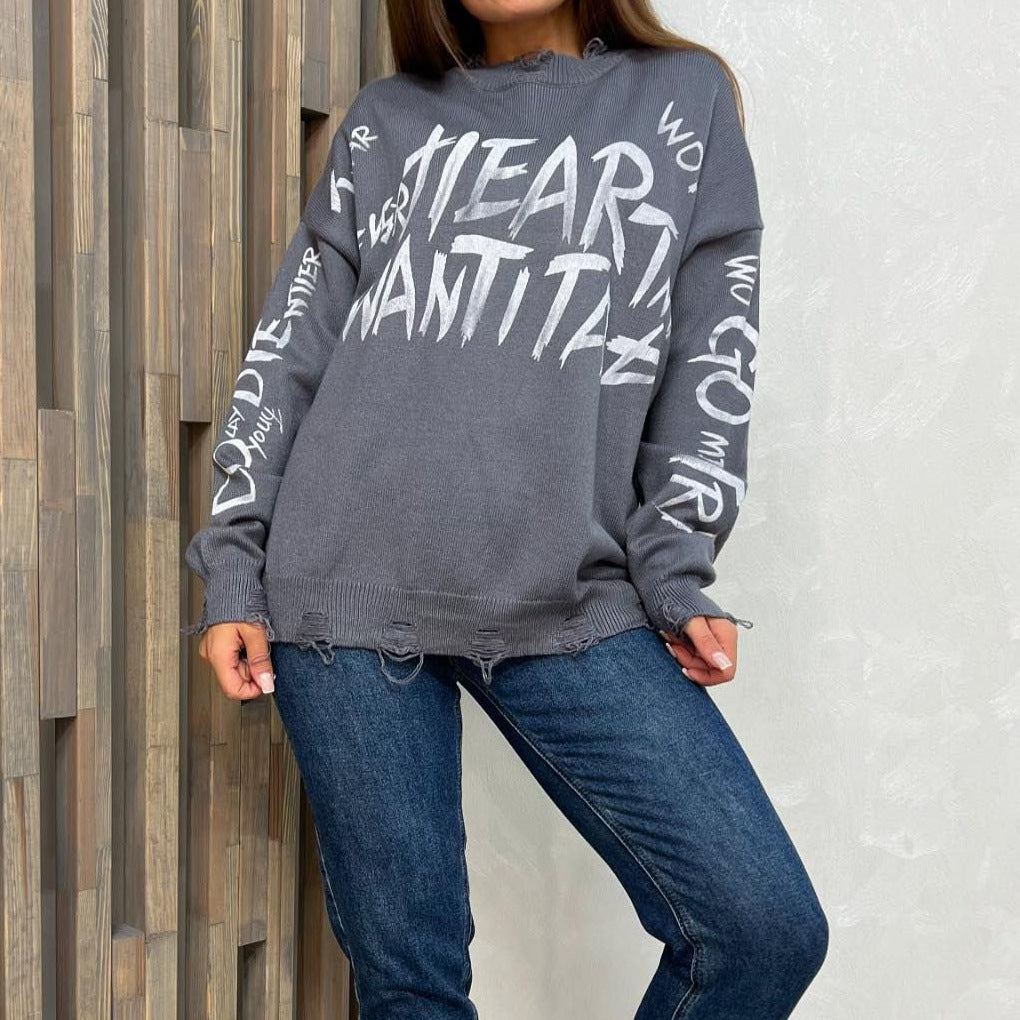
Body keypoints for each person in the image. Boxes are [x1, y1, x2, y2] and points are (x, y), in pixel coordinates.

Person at [183, 1, 829, 1016]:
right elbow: (292, 348)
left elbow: (711, 357)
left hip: (569, 589)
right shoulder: (388, 120)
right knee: (414, 991)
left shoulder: (682, 102)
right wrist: (233, 565)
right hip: (344, 600)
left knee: (760, 929)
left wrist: (675, 566)